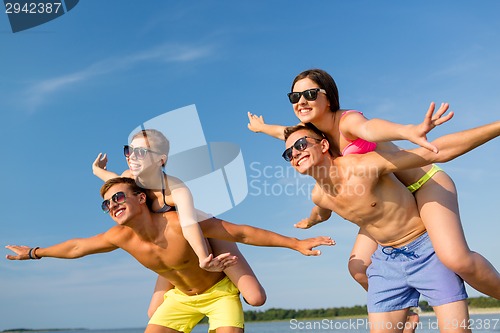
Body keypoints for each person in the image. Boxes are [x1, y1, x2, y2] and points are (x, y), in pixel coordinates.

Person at [247, 68, 500, 300]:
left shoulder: (347, 122)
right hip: (386, 198)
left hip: (423, 184)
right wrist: (261, 127)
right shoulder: (311, 136)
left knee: (456, 258)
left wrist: (407, 130)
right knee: (358, 268)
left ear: (329, 98)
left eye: (310, 93)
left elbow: (370, 128)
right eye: (295, 97)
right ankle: (407, 311)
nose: (301, 101)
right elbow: (286, 134)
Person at [6, 177, 334, 333]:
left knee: (255, 298)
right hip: (179, 297)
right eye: (106, 204)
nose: (112, 205)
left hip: (217, 292)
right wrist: (33, 253)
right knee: (152, 317)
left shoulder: (180, 222)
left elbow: (242, 232)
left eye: (118, 197)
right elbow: (76, 247)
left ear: (141, 199)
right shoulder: (118, 236)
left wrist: (295, 243)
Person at [281, 121, 499, 333]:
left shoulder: (362, 167)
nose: (295, 154)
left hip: (426, 252)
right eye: (288, 153)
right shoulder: (319, 196)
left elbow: (437, 152)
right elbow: (320, 213)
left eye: (300, 145)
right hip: (386, 263)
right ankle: (410, 314)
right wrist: (309, 223)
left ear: (324, 145)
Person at [92, 129, 267, 311]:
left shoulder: (175, 188)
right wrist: (97, 170)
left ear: (161, 159)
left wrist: (203, 257)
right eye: (129, 151)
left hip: (206, 232)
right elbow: (114, 182)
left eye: (141, 152)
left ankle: (225, 292)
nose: (132, 156)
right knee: (153, 312)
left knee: (255, 297)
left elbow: (189, 224)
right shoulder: (129, 177)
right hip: (176, 249)